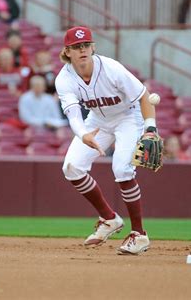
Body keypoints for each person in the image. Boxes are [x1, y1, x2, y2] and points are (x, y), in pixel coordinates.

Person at [55, 26, 158, 255]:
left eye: (85, 45)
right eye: (76, 47)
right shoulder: (64, 79)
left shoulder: (111, 68)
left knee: (121, 169)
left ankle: (139, 234)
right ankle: (110, 218)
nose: (82, 50)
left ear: (93, 47)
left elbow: (144, 96)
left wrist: (150, 128)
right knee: (71, 168)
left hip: (127, 117)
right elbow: (73, 114)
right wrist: (83, 135)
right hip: (97, 120)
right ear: (67, 52)